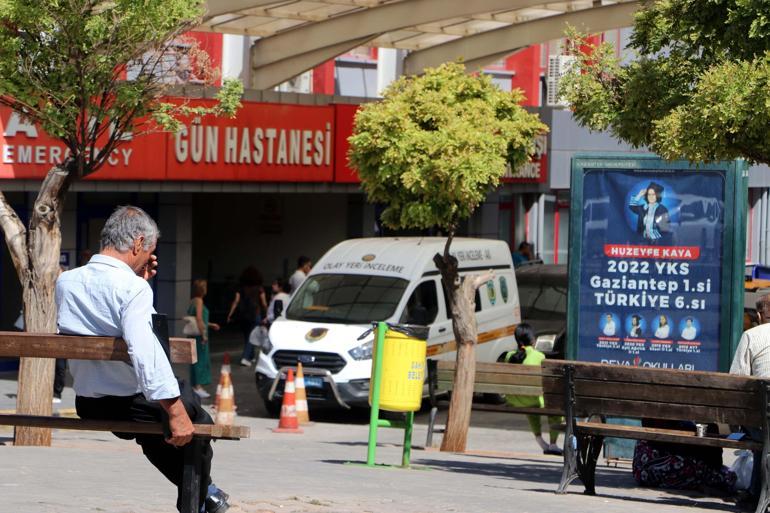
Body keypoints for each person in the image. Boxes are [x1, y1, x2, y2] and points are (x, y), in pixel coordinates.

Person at [55, 206, 230, 513]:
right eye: (148, 249)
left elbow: (105, 310)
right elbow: (145, 351)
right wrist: (174, 410)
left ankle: (207, 493)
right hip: (130, 403)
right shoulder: (131, 288)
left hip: (88, 402)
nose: (147, 255)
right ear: (137, 245)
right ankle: (202, 498)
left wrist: (138, 281)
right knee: (197, 421)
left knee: (155, 433)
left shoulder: (67, 282)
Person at [730, 293, 770, 507]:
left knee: (761, 435)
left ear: (758, 314)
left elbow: (737, 381)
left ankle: (756, 494)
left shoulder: (751, 336)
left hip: (762, 422)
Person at [503, 323, 562, 455]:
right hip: (532, 400)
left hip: (514, 400)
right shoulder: (539, 356)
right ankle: (552, 444)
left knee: (531, 403)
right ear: (533, 340)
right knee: (555, 408)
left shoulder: (509, 356)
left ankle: (540, 440)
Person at [633, 419, 736, 493]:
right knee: (728, 477)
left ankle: (700, 482)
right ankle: (701, 483)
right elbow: (715, 461)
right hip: (661, 467)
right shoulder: (683, 423)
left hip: (641, 468)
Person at [227, 266, 267, 367]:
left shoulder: (241, 288)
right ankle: (245, 357)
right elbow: (264, 303)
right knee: (252, 336)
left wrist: (230, 314)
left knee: (247, 336)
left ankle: (251, 356)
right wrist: (265, 314)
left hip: (243, 315)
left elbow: (236, 301)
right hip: (255, 314)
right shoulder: (259, 288)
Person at [188, 279, 220, 399]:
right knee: (200, 361)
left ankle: (195, 385)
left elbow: (197, 319)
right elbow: (199, 319)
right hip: (199, 335)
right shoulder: (199, 301)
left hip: (193, 334)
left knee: (194, 360)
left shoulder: (192, 301)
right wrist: (204, 335)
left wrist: (211, 324)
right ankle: (197, 386)